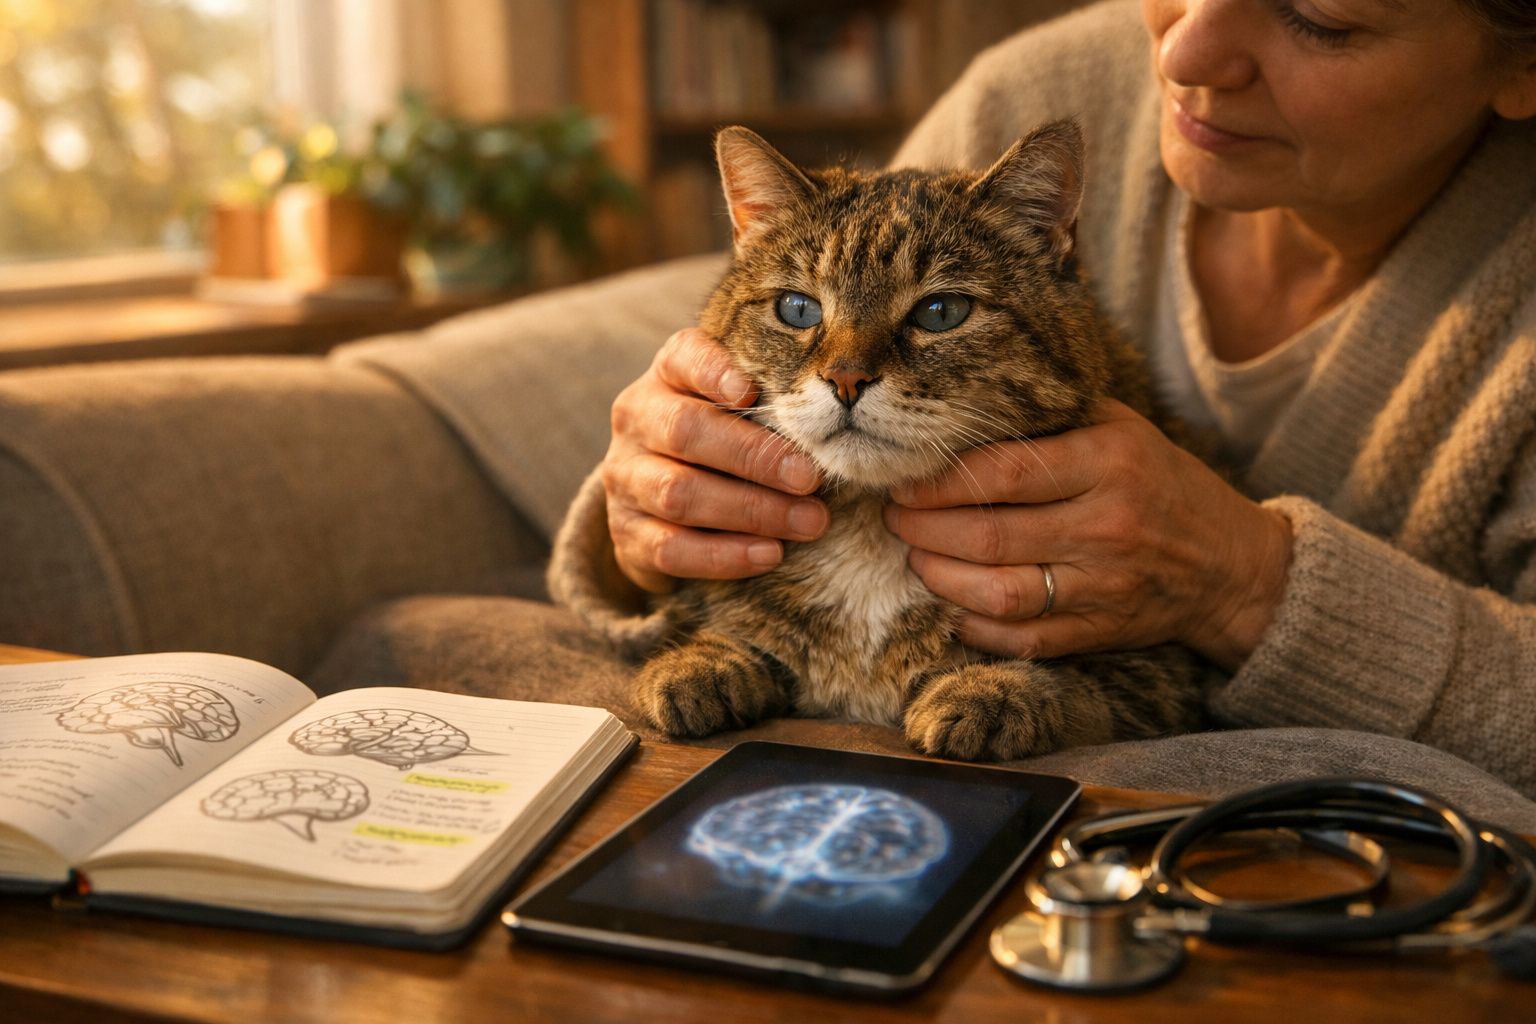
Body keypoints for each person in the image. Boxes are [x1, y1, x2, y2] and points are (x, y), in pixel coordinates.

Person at [551, 0, 1536, 793]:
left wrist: (1244, 582)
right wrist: (645, 511)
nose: (1186, 52)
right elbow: (832, 249)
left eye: (1321, 17)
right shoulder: (1037, 88)